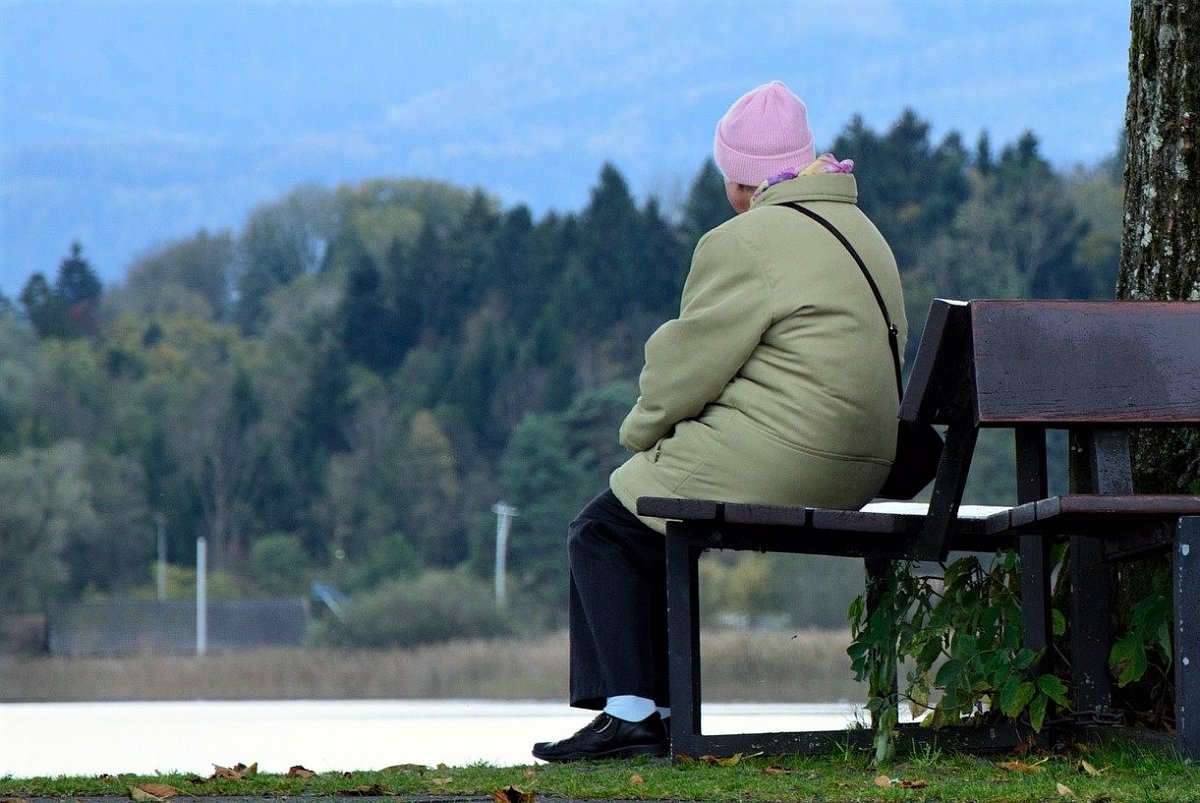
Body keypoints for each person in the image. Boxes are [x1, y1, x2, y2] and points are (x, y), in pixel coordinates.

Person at [531, 80, 907, 762]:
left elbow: (685, 369)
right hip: (865, 465)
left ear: (740, 181)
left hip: (790, 456)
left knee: (606, 525)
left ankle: (632, 713)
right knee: (646, 524)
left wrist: (641, 436)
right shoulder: (864, 232)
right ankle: (658, 710)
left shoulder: (747, 240)